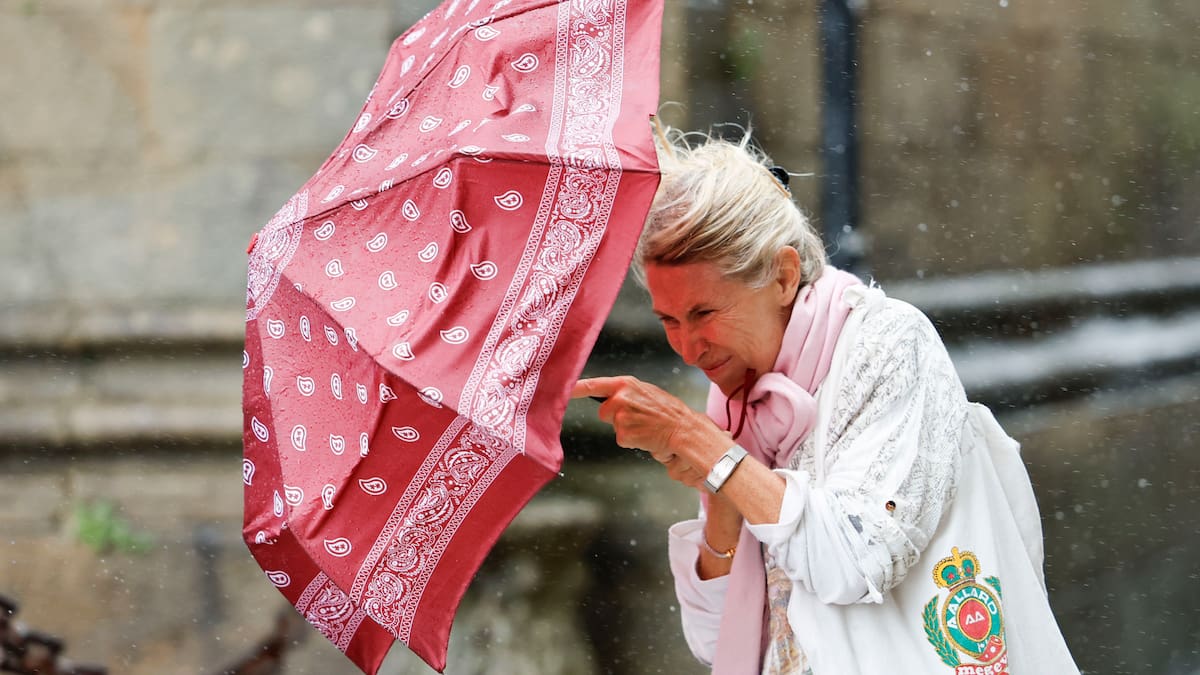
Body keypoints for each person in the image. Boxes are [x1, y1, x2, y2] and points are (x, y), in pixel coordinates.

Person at [571, 128, 1079, 675]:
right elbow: (715, 640)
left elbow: (855, 564)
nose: (688, 348)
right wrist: (721, 490)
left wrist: (701, 444)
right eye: (668, 321)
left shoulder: (889, 340)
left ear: (784, 276)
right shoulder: (737, 404)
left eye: (705, 314)